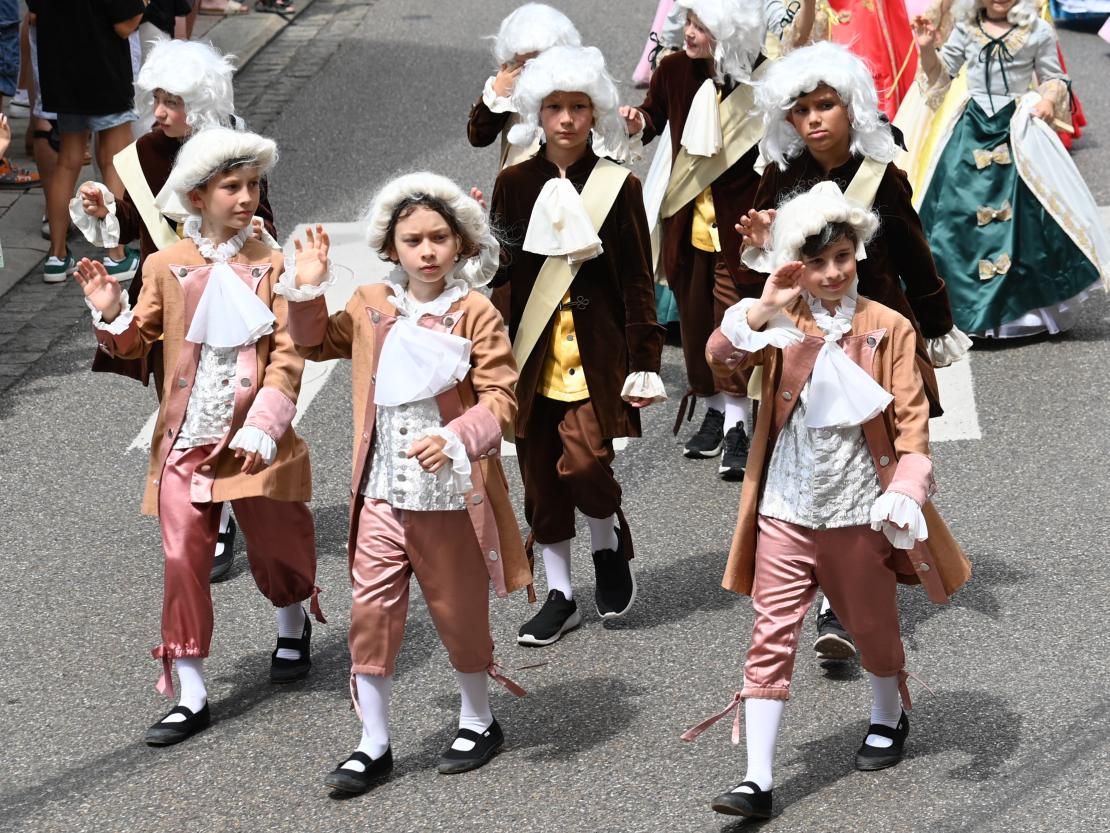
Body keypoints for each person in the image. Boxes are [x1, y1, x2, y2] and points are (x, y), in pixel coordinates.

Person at [685, 182, 970, 819]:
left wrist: (907, 487)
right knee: (770, 635)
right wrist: (763, 310)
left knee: (870, 627)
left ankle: (887, 712)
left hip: (859, 508)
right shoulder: (783, 322)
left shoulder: (888, 326)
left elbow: (913, 421)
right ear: (798, 266)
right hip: (786, 506)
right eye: (817, 262)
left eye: (842, 256)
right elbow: (719, 361)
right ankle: (757, 777)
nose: (833, 272)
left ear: (858, 253)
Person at [280, 175, 531, 794]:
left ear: (461, 244)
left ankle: (478, 717)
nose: (426, 250)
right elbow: (313, 342)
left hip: (448, 494)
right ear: (390, 246)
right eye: (412, 239)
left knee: (458, 608)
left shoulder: (475, 311)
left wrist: (455, 438)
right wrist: (308, 288)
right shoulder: (371, 302)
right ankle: (373, 741)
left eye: (439, 238)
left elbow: (502, 397)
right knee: (371, 611)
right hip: (380, 491)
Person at [74, 126, 324, 747]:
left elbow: (289, 358)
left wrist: (267, 426)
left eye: (253, 185)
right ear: (195, 197)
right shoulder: (165, 265)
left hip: (254, 438)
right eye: (230, 187)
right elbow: (137, 344)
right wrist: (112, 310)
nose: (246, 197)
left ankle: (292, 622)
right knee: (183, 557)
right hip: (187, 439)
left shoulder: (275, 266)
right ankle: (189, 690)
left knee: (277, 545)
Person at [74, 38, 277, 580]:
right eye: (156, 98)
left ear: (204, 102)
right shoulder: (143, 153)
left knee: (234, 399)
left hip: (227, 296)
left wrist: (253, 234)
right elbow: (141, 221)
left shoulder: (229, 144)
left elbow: (264, 217)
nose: (160, 112)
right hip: (167, 298)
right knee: (181, 405)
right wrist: (107, 210)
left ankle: (234, 507)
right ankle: (207, 510)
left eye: (174, 101)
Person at [488, 44, 666, 647]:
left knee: (586, 464)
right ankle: (561, 594)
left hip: (596, 354)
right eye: (555, 107)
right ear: (537, 114)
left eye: (579, 107)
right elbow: (502, 270)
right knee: (540, 479)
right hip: (531, 356)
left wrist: (645, 361)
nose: (566, 119)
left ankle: (608, 540)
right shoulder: (512, 182)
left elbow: (638, 278)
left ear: (595, 114)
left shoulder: (619, 184)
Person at [621, 0, 768, 481]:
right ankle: (711, 406)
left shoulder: (760, 78)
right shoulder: (673, 71)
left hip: (738, 225)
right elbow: (653, 117)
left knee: (733, 327)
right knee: (694, 321)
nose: (688, 32)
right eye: (687, 21)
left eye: (700, 25)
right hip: (685, 219)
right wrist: (636, 122)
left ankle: (738, 422)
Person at [910, 0, 1110, 337]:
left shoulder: (1037, 29)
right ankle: (965, 307)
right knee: (956, 213)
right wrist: (928, 50)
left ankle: (1024, 312)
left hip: (1019, 129)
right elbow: (942, 76)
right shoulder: (965, 29)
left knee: (1031, 218)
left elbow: (1053, 77)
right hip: (971, 128)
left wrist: (1047, 100)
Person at [28, 0, 144, 282]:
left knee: (67, 162)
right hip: (104, 71)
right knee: (114, 160)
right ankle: (115, 254)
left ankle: (56, 257)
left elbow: (34, 12)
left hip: (63, 75)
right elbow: (125, 24)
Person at [466, 3, 581, 170]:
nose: (529, 71)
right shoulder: (510, 86)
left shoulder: (576, 85)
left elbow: (600, 129)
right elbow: (479, 137)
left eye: (537, 62)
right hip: (518, 179)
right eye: (521, 64)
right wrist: (497, 97)